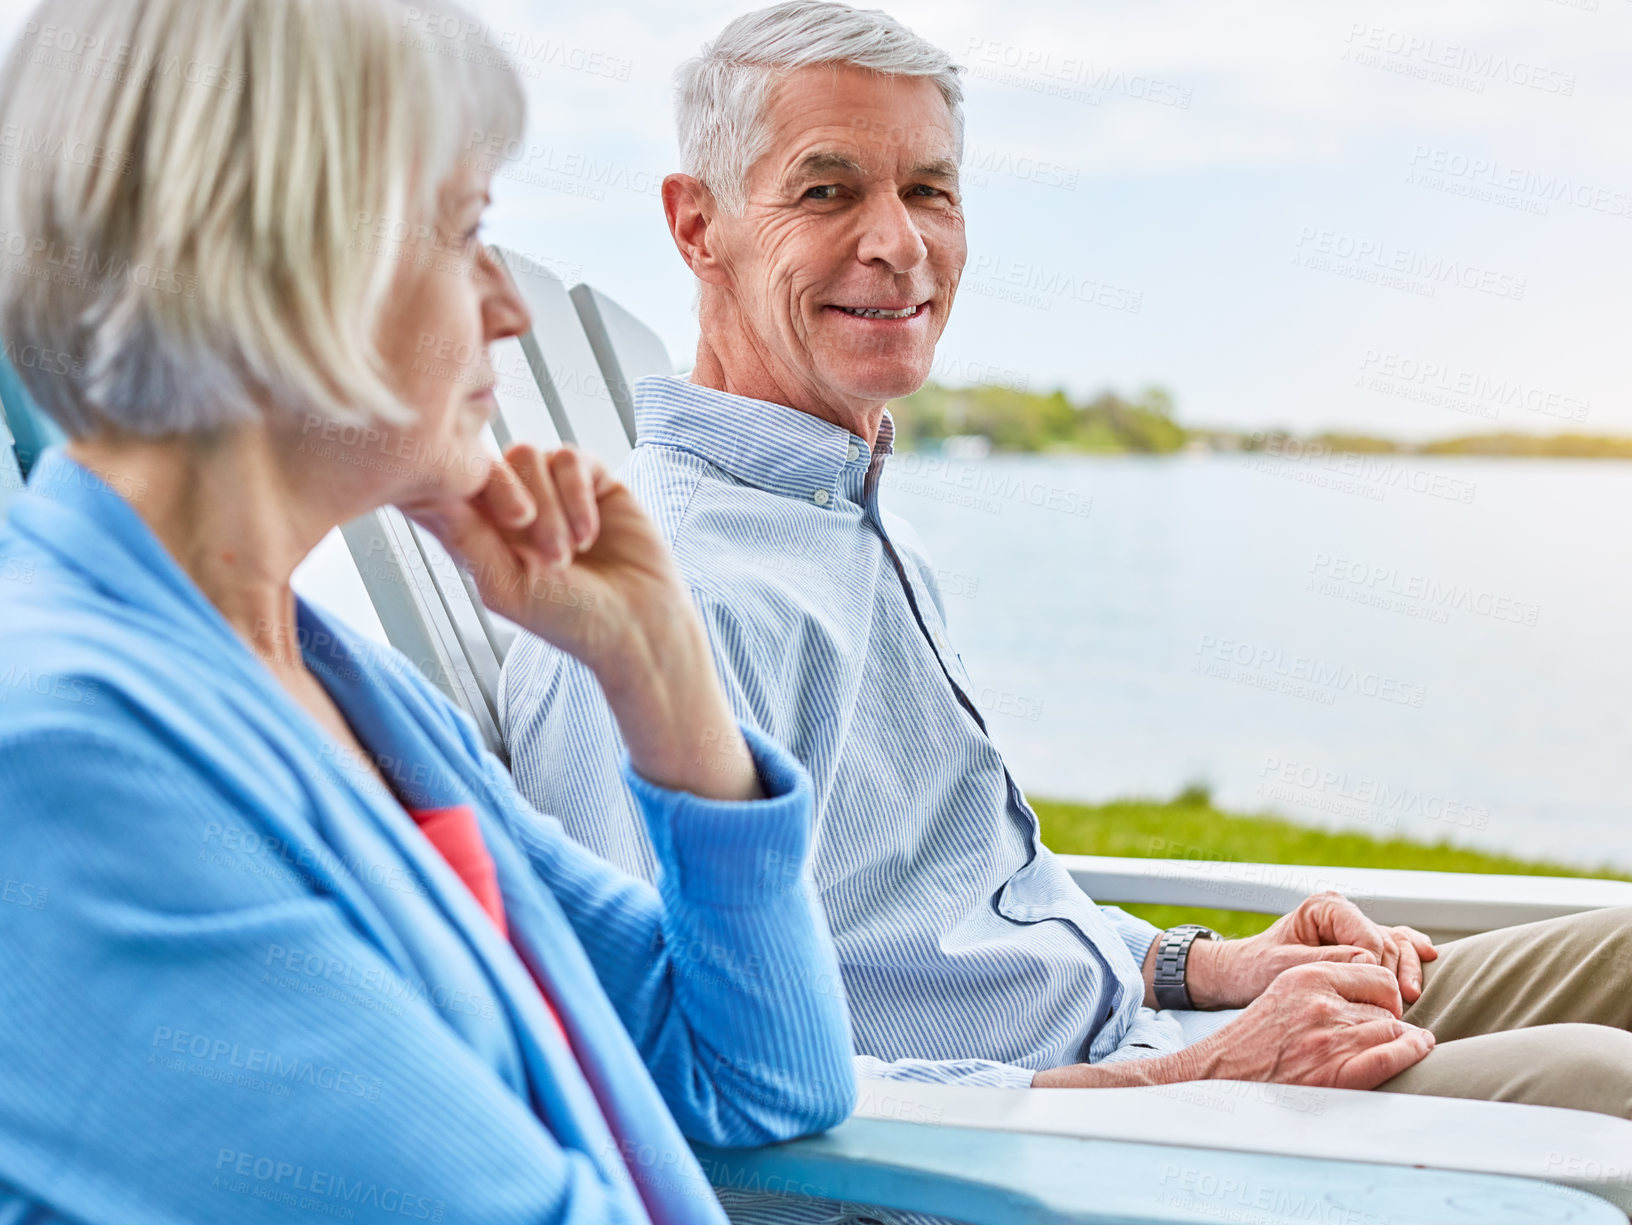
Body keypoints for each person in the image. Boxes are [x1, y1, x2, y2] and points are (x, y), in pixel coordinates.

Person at [501, 0, 1632, 1122]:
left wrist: (1208, 968)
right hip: (1075, 1140)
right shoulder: (659, 608)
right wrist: (1185, 1079)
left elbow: (958, 911)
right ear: (698, 226)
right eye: (827, 189)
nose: (900, 243)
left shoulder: (837, 516)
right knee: (1601, 1088)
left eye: (930, 189)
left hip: (1159, 1041)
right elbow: (666, 1079)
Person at [0, 2, 855, 1222]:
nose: (506, 306)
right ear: (276, 264)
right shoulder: (60, 768)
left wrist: (662, 674)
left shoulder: (341, 689)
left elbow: (761, 1077)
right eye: (465, 233)